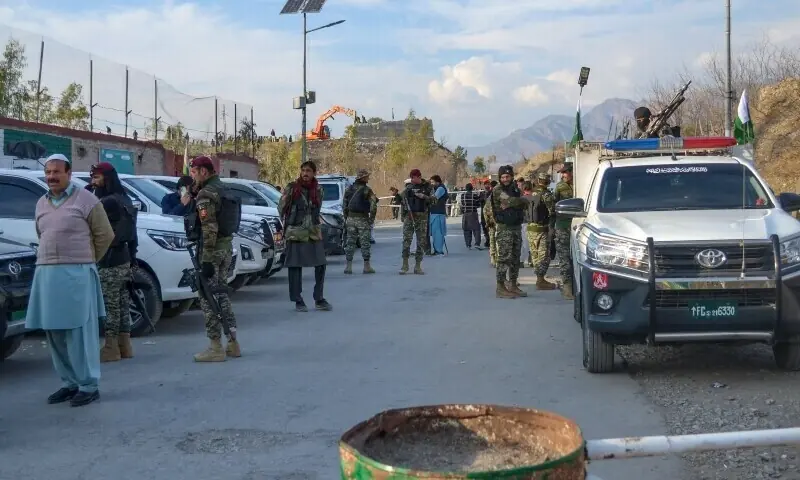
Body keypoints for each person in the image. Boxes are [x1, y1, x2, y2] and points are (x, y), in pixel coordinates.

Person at [26, 153, 114, 407]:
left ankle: (88, 385)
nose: (51, 177)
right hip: (47, 274)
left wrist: (85, 260)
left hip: (76, 274)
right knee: (54, 331)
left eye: (57, 172)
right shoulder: (41, 202)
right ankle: (69, 383)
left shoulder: (85, 199)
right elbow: (41, 232)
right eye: (48, 172)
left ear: (69, 173)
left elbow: (105, 235)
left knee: (78, 333)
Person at [189, 156, 241, 361]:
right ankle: (232, 342)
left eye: (194, 171)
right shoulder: (222, 188)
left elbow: (209, 228)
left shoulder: (206, 194)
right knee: (221, 294)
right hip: (226, 248)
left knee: (207, 297)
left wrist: (207, 260)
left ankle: (215, 346)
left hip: (212, 251)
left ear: (203, 171)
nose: (192, 175)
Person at [90, 162, 139, 362]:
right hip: (124, 257)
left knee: (110, 305)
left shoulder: (106, 202)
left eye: (97, 177)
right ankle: (124, 345)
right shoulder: (124, 198)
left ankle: (111, 347)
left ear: (107, 178)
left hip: (109, 259)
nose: (93, 181)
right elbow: (133, 233)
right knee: (121, 303)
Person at [279, 160, 333, 312]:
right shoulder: (291, 188)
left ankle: (319, 298)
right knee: (295, 267)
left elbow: (318, 208)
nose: (305, 174)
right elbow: (281, 208)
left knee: (321, 264)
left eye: (308, 171)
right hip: (295, 233)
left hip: (313, 232)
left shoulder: (318, 190)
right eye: (303, 170)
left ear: (314, 173)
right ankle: (298, 300)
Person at [484, 165, 528, 299]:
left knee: (515, 258)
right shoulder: (497, 190)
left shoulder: (515, 188)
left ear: (512, 176)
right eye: (502, 177)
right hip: (504, 228)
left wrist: (516, 202)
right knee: (504, 259)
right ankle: (500, 287)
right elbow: (511, 201)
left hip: (516, 227)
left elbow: (524, 203)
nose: (505, 179)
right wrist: (516, 202)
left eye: (507, 176)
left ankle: (513, 284)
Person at [343, 169, 378, 274]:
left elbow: (344, 205)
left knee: (350, 242)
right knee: (365, 243)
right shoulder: (367, 190)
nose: (368, 178)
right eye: (367, 176)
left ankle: (348, 267)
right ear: (363, 178)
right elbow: (373, 206)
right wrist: (371, 219)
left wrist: (346, 217)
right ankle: (366, 267)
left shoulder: (349, 189)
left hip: (350, 219)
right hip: (362, 219)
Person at [399, 169, 434, 274]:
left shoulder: (428, 187)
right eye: (412, 179)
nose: (414, 180)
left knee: (421, 242)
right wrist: (402, 216)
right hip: (409, 217)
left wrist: (424, 197)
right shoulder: (408, 188)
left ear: (419, 177)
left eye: (415, 178)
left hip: (422, 217)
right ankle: (405, 265)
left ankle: (418, 266)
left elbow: (435, 200)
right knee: (406, 240)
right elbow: (402, 201)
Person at [527, 172, 558, 290]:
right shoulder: (546, 195)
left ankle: (539, 278)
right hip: (541, 229)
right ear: (547, 182)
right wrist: (552, 228)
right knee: (544, 255)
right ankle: (540, 280)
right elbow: (552, 211)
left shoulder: (532, 193)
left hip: (530, 228)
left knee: (535, 254)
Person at [554, 163, 575, 300]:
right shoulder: (560, 187)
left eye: (565, 172)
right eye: (562, 173)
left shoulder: (582, 183)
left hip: (579, 225)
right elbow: (554, 206)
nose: (563, 175)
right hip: (563, 225)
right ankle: (567, 286)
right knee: (564, 257)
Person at [428, 175, 448, 256]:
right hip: (435, 213)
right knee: (435, 233)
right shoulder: (437, 188)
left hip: (438, 213)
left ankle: (439, 250)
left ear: (437, 181)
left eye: (433, 182)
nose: (432, 184)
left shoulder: (440, 189)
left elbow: (434, 198)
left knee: (438, 233)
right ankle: (437, 249)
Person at [459, 183, 482, 249]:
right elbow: (478, 204)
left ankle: (468, 244)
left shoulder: (463, 195)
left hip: (465, 214)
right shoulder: (474, 195)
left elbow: (462, 204)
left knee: (466, 229)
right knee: (476, 229)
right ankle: (477, 243)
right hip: (473, 213)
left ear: (466, 188)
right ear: (472, 188)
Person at [519, 180, 533, 267]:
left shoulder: (521, 199)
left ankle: (521, 261)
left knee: (523, 243)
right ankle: (531, 260)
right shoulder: (535, 198)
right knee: (532, 243)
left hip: (523, 223)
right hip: (534, 223)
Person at [479, 180, 492, 250]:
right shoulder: (482, 193)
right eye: (485, 185)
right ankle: (487, 240)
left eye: (488, 184)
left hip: (490, 213)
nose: (487, 186)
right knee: (484, 227)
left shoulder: (491, 193)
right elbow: (479, 201)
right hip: (483, 213)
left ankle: (490, 241)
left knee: (490, 227)